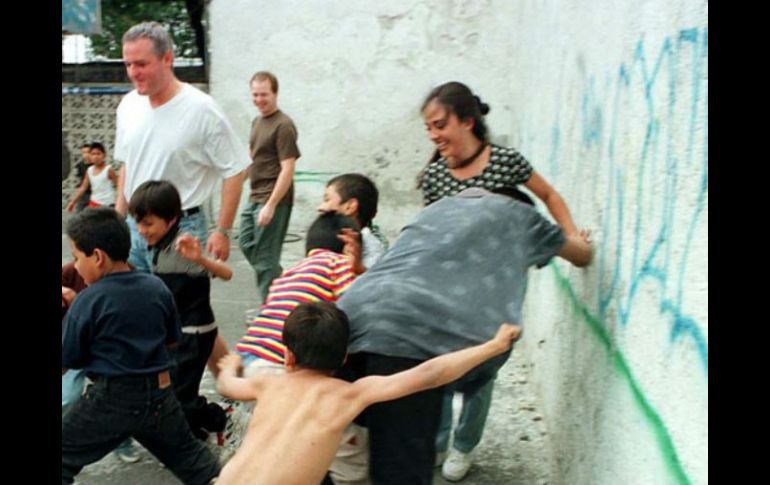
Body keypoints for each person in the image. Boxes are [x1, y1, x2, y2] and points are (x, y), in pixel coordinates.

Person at [334, 187, 592, 485]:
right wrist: (578, 239)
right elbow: (582, 256)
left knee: (341, 453)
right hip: (409, 336)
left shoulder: (438, 209)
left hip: (348, 318)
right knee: (399, 467)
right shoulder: (523, 216)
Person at [418, 81, 588, 480]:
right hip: (448, 286)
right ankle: (439, 441)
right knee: (440, 363)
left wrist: (571, 235)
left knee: (483, 370)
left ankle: (464, 445)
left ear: (467, 120)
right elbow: (433, 230)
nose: (434, 135)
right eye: (428, 128)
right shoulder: (435, 177)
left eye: (439, 124)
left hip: (501, 288)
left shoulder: (506, 162)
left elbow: (549, 195)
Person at [215, 300, 522, 485]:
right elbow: (430, 374)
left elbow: (226, 385)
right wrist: (493, 346)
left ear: (288, 356)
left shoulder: (267, 382)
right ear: (344, 359)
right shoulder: (349, 395)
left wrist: (231, 364)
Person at [61, 208, 220, 484]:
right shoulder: (156, 287)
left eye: (76, 257)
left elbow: (70, 357)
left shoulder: (87, 300)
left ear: (97, 257)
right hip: (160, 395)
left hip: (112, 399)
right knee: (194, 462)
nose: (75, 266)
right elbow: (172, 340)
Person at [114, 21, 250, 272]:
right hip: (135, 227)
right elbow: (127, 164)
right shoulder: (128, 106)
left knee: (179, 308)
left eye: (142, 64)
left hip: (182, 229)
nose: (133, 72)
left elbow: (234, 170)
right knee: (135, 306)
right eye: (128, 64)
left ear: (167, 58)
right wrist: (117, 219)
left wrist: (222, 230)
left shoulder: (202, 109)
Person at [128, 180, 233, 440]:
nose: (142, 230)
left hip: (194, 332)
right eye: (138, 222)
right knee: (173, 391)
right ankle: (196, 434)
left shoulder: (182, 249)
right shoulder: (157, 245)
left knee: (180, 396)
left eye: (148, 223)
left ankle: (225, 420)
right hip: (178, 332)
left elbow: (227, 273)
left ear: (172, 219)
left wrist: (199, 259)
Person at [62, 260, 140, 464]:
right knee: (67, 398)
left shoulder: (126, 277)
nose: (78, 265)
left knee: (119, 398)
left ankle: (122, 440)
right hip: (75, 343)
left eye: (81, 257)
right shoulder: (71, 272)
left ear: (99, 257)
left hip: (107, 352)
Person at [238, 70, 301, 303]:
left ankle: (270, 310)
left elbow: (288, 168)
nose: (259, 100)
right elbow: (251, 156)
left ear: (275, 93)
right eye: (255, 95)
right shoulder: (257, 121)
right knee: (246, 243)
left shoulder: (283, 125)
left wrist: (271, 205)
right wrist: (237, 180)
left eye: (264, 94)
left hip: (274, 199)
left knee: (265, 260)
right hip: (255, 196)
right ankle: (283, 287)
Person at [317, 173, 389, 270]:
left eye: (327, 199)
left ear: (350, 206)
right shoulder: (327, 239)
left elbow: (375, 280)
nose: (320, 208)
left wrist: (358, 269)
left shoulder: (372, 247)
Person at [66, 143, 117, 212]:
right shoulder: (89, 170)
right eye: (93, 154)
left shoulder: (108, 170)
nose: (96, 156)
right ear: (90, 156)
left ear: (104, 155)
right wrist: (73, 202)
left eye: (98, 154)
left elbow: (119, 185)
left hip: (108, 204)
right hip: (94, 203)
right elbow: (83, 188)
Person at [71, 143, 92, 212]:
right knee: (79, 212)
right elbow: (78, 179)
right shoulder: (79, 165)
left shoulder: (95, 165)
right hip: (83, 193)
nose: (86, 155)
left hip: (94, 193)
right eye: (84, 152)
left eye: (88, 152)